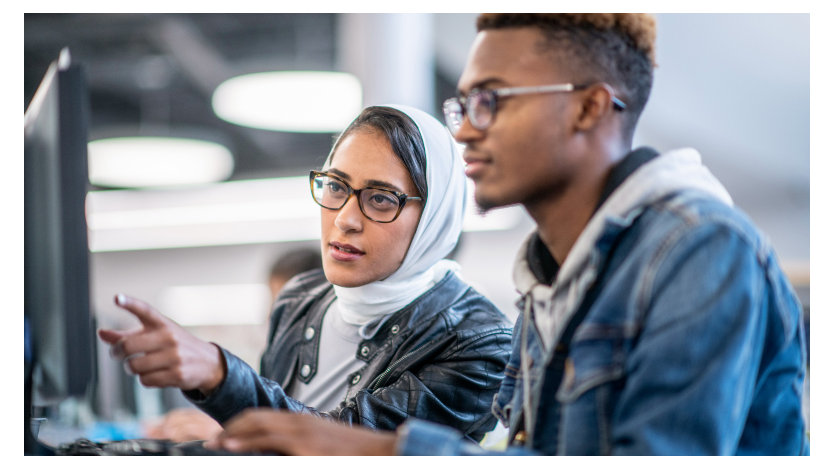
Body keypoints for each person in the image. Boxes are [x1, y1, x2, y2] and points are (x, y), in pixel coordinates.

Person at [204, 13, 809, 456]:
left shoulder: (699, 249)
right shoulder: (549, 280)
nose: (466, 132)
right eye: (463, 104)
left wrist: (381, 452)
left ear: (590, 108)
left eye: (493, 100)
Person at [98, 104, 513, 443]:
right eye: (335, 186)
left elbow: (351, 443)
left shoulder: (480, 343)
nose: (346, 219)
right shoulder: (300, 297)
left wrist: (221, 375)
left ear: (434, 218)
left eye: (381, 198)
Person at [143, 248, 322, 442]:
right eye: (274, 305)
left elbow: (313, 440)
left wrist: (230, 433)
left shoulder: (330, 372)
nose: (272, 315)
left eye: (287, 308)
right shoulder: (279, 361)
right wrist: (222, 422)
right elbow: (272, 417)